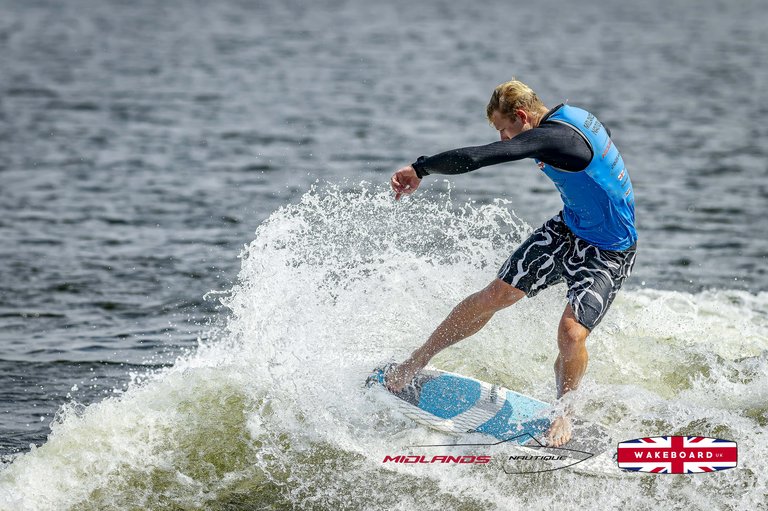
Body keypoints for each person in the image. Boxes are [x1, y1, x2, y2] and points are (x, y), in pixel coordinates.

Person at [386, 79, 637, 447]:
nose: (505, 138)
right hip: (568, 228)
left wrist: (420, 168)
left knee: (571, 333)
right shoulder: (573, 117)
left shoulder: (555, 139)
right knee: (494, 295)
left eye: (505, 128)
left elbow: (479, 157)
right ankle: (416, 360)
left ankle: (564, 413)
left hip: (610, 249)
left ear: (522, 116)